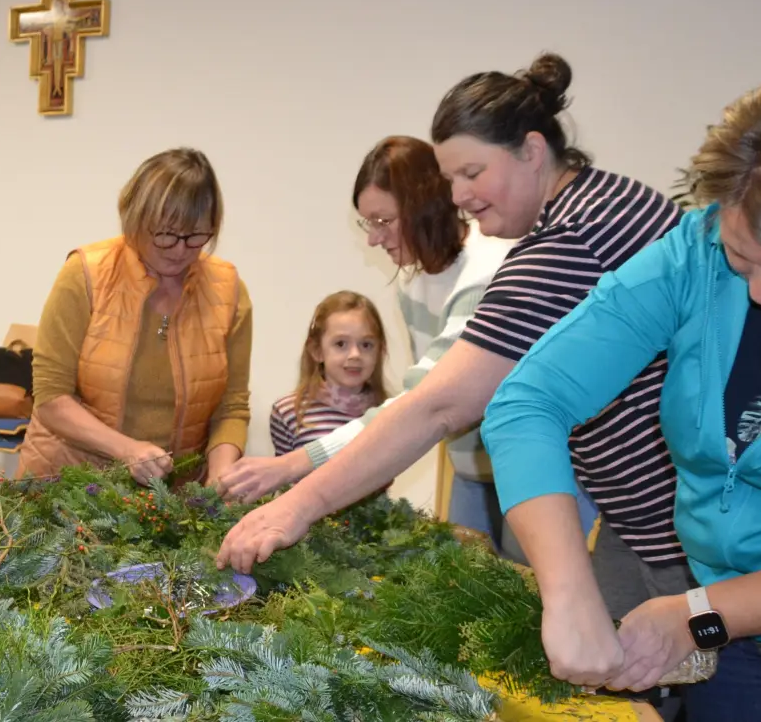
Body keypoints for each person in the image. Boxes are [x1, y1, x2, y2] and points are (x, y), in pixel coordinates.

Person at [216, 54, 688, 629]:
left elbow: (440, 403)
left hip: (679, 525)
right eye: (450, 179)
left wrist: (299, 502)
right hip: (648, 515)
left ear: (532, 151)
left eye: (472, 173)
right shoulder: (611, 198)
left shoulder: (566, 242)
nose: (458, 196)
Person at [482, 71, 761, 719]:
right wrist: (568, 590)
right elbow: (530, 403)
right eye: (744, 259)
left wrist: (697, 617)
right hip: (731, 641)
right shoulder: (696, 252)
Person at [217, 136, 528, 546]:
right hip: (471, 466)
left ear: (423, 209)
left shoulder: (486, 273)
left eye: (383, 221)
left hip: (528, 462)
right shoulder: (414, 282)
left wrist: (293, 465)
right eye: (369, 223)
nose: (373, 239)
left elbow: (422, 403)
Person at [17, 147, 252, 487]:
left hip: (171, 496)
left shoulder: (229, 291)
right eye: (166, 234)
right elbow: (51, 396)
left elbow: (231, 407)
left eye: (197, 236)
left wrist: (221, 477)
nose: (181, 249)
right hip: (67, 485)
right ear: (135, 220)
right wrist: (126, 450)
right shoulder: (85, 275)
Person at [266, 291, 389, 457]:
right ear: (317, 351)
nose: (355, 354)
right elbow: (282, 479)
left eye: (366, 345)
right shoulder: (288, 412)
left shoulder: (389, 411)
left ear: (379, 350)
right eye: (340, 344)